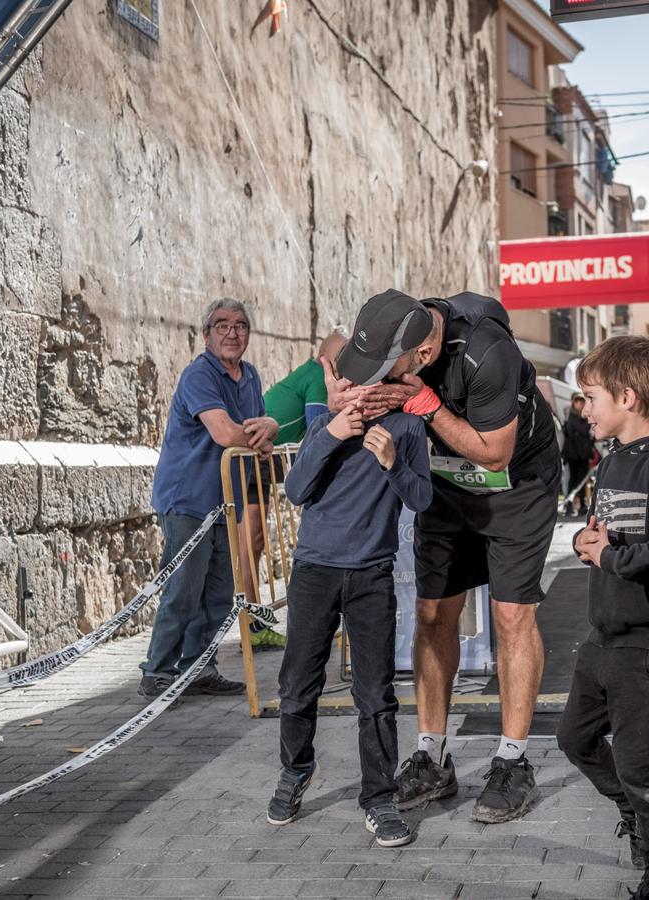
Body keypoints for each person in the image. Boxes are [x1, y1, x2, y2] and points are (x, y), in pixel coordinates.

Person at [328, 290, 560, 824]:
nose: (377, 377)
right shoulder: (399, 332)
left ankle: (511, 760)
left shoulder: (487, 353)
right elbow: (340, 370)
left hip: (516, 483)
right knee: (433, 612)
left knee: (511, 616)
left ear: (423, 358)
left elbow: (493, 451)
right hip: (449, 485)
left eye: (388, 371)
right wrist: (347, 397)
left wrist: (423, 406)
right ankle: (432, 754)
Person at [267, 294, 432, 847]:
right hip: (315, 570)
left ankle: (379, 798)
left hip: (371, 575)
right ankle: (295, 770)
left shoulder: (406, 429)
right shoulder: (326, 424)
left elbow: (423, 498)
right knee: (297, 684)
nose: (354, 387)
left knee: (375, 693)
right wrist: (335, 432)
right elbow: (295, 489)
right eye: (342, 377)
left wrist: (390, 463)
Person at [558, 335, 649, 900]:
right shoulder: (615, 458)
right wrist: (585, 540)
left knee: (639, 760)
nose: (584, 408)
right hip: (606, 631)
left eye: (590, 396)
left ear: (627, 397)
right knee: (574, 739)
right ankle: (634, 815)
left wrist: (611, 556)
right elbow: (605, 531)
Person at [138, 299, 280, 699]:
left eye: (240, 326)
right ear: (206, 335)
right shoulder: (199, 375)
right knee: (184, 588)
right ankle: (158, 671)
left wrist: (269, 425)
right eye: (222, 326)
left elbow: (254, 430)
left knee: (218, 592)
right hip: (187, 498)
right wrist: (264, 434)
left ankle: (200, 667)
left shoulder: (249, 376)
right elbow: (227, 433)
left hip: (224, 500)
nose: (232, 333)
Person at [264, 332, 347, 445]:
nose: (345, 361)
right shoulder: (318, 377)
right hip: (264, 449)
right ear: (323, 358)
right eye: (339, 356)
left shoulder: (310, 371)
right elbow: (317, 433)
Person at [561, 394, 594, 516]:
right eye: (577, 402)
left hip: (583, 455)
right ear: (574, 403)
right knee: (573, 481)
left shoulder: (583, 417)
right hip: (573, 455)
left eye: (581, 402)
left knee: (582, 481)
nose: (580, 404)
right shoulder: (572, 416)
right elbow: (583, 430)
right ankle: (570, 505)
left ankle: (581, 507)